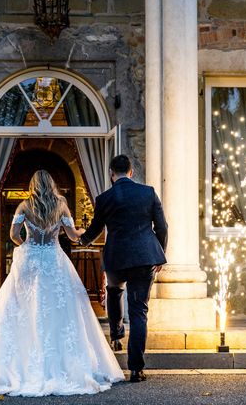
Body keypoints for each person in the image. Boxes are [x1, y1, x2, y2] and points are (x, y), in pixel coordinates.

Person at [0, 170, 124, 397]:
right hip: (54, 258)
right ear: (51, 185)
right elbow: (71, 235)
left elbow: (13, 234)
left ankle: (23, 362)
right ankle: (63, 364)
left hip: (30, 259)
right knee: (58, 308)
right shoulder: (61, 205)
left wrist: (25, 246)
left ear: (32, 186)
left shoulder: (24, 206)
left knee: (25, 306)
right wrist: (83, 232)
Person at [80, 155, 168, 383]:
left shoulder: (104, 198)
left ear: (112, 173)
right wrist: (160, 253)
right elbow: (162, 226)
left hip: (117, 257)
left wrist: (81, 240)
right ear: (131, 172)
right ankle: (136, 369)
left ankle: (116, 334)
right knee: (139, 311)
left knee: (114, 292)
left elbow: (95, 229)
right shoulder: (148, 193)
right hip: (144, 257)